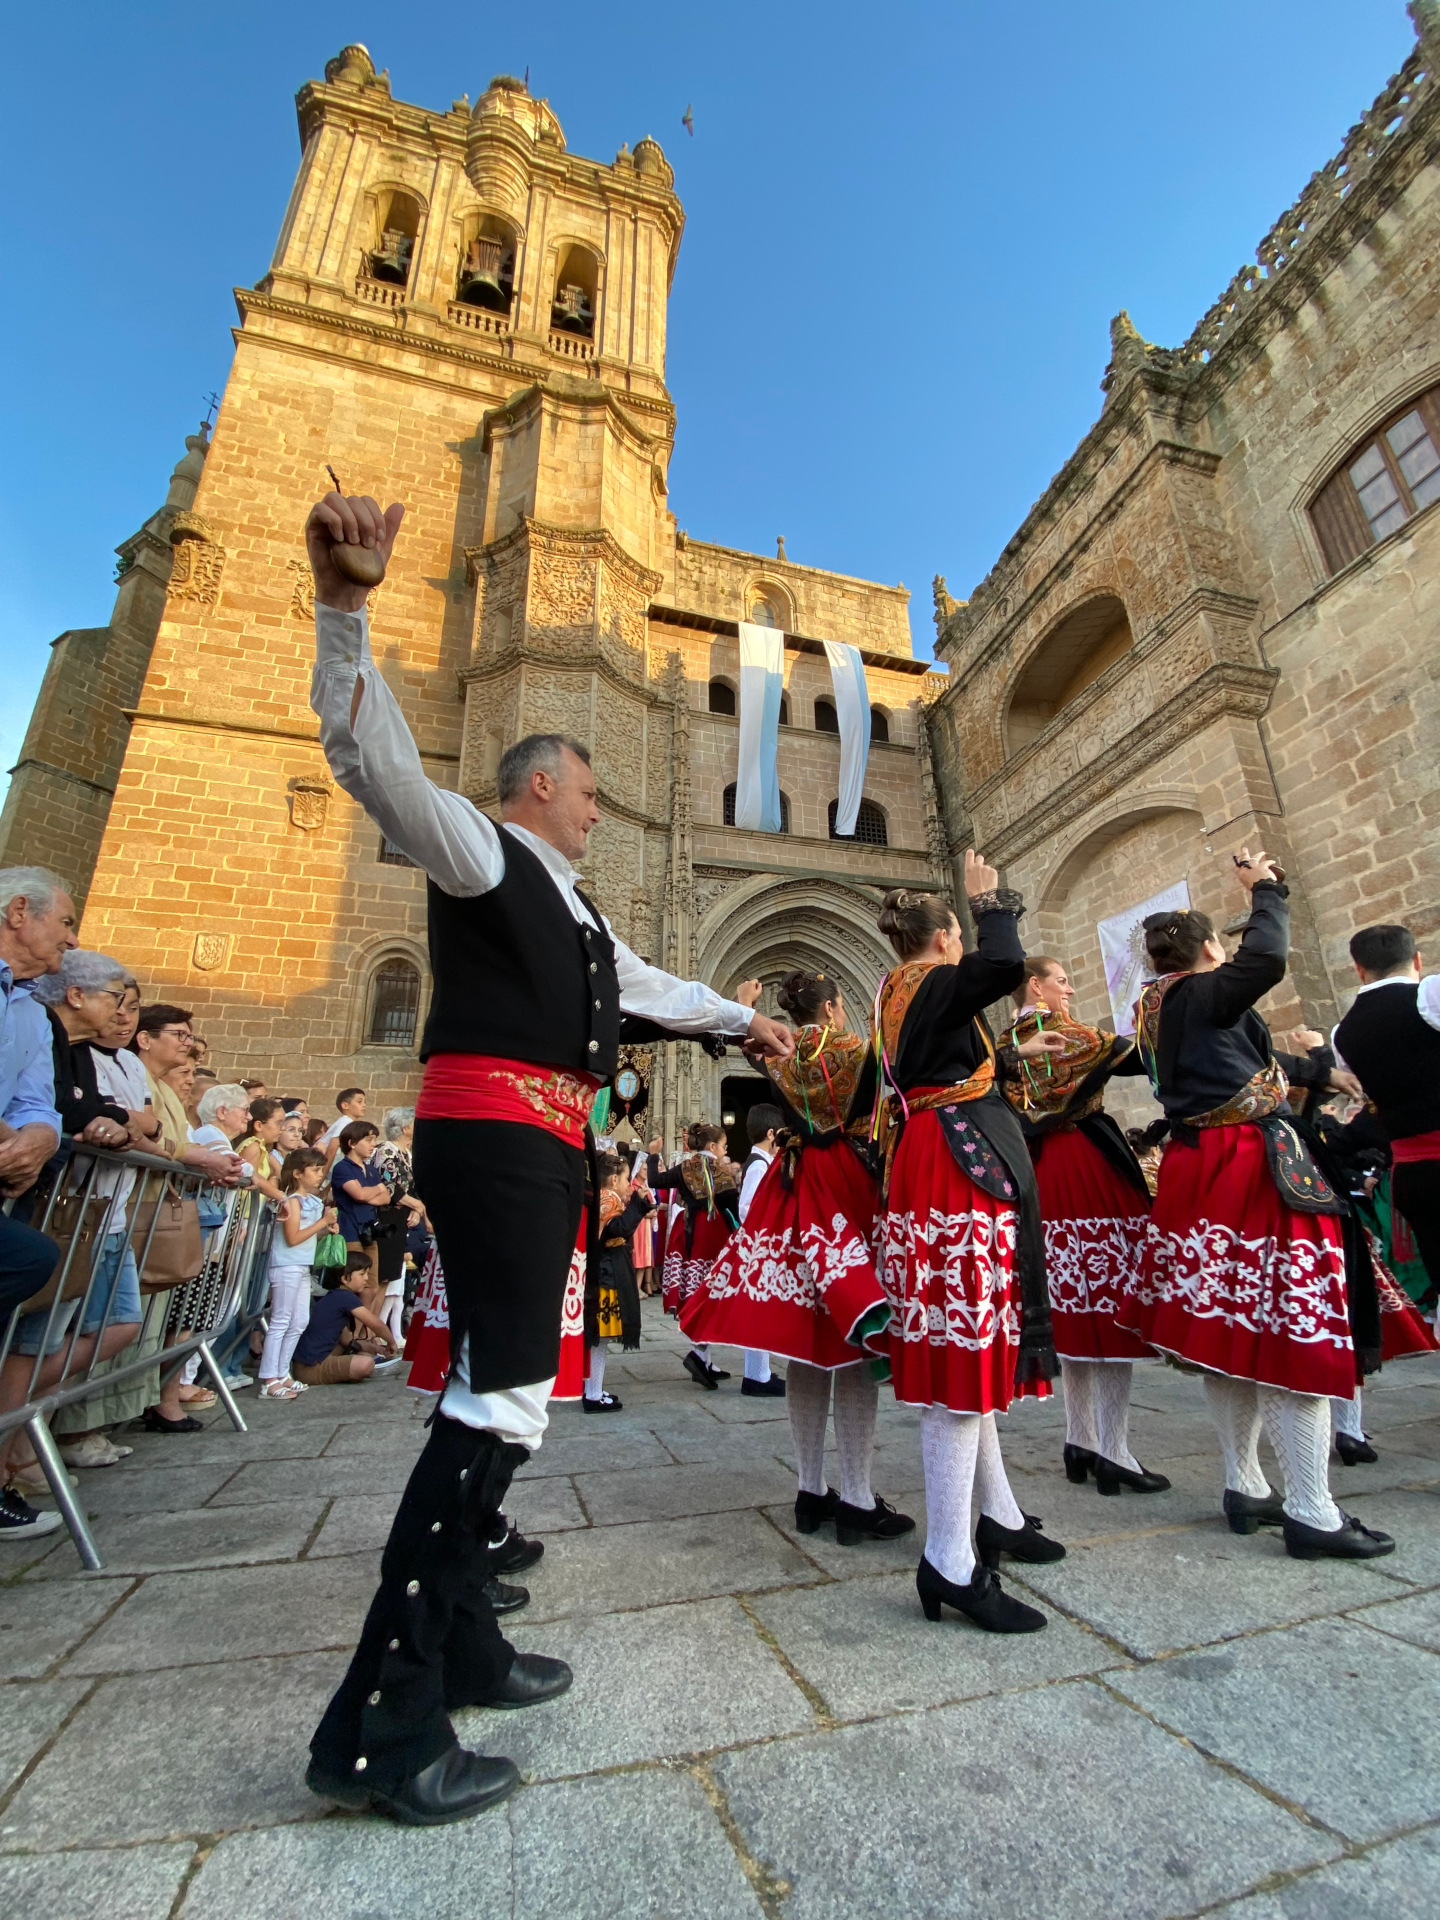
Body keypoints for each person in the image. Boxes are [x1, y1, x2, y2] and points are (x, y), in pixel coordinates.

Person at [303, 482, 793, 1825]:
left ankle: (460, 1643)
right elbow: (372, 763)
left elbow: (644, 983)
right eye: (586, 790)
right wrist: (346, 609)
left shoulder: (573, 906)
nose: (597, 808)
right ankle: (383, 1731)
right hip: (496, 1140)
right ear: (538, 787)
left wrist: (756, 1020)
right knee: (501, 1399)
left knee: (504, 1389)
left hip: (538, 1147)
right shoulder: (478, 846)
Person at [1118, 851, 1395, 1562]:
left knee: (1228, 1334)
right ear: (1209, 948)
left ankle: (1245, 1484)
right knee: (1290, 1330)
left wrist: (1320, 1070)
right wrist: (1266, 891)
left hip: (1199, 1170)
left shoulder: (1157, 1008)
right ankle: (1312, 1508)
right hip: (1249, 1168)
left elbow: (1249, 1063)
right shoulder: (1200, 991)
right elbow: (1267, 958)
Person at [874, 860, 1069, 1633]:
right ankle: (950, 1559)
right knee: (964, 1357)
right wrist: (991, 899)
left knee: (970, 1347)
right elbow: (1002, 965)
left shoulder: (898, 993)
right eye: (960, 929)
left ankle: (999, 1516)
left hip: (938, 1155)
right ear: (944, 937)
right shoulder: (930, 980)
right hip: (960, 1163)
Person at [683, 972, 915, 1545]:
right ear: (835, 1008)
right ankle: (858, 1498)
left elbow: (737, 1044)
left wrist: (741, 1010)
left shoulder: (777, 1054)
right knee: (856, 1338)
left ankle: (811, 1490)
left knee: (809, 1348)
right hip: (850, 1182)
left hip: (796, 1184)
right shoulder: (860, 1050)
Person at [1001, 956, 1168, 1497]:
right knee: (1113, 1304)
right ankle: (1114, 1449)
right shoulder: (1071, 1035)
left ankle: (1079, 1438)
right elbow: (1141, 1057)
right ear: (1036, 985)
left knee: (1068, 1306)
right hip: (1086, 1164)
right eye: (1062, 981)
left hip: (1032, 1170)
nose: (1070, 990)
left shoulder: (1001, 1046)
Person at [1333, 924, 1440, 1297]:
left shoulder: (1341, 1034)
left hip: (1410, 1173)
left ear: (1358, 969)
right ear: (1416, 959)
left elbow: (1365, 1092)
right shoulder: (1429, 993)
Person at [649, 1122, 744, 1388]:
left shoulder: (685, 1168)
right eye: (724, 1145)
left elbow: (655, 1180)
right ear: (713, 1147)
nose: (726, 1150)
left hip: (690, 1232)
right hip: (713, 1236)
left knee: (699, 1293)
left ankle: (706, 1360)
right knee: (710, 1297)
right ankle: (699, 1355)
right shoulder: (722, 1172)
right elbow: (734, 1211)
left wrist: (654, 1153)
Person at [257, 1148, 339, 1399]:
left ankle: (282, 1372)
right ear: (297, 1174)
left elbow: (309, 1235)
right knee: (281, 1320)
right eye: (314, 1170)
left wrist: (327, 1229)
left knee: (300, 1320)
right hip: (286, 1265)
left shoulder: (311, 1202)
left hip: (301, 1265)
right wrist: (322, 1224)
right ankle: (269, 1377)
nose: (319, 1175)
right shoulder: (292, 1200)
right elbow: (292, 1238)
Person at [584, 1151, 655, 1411]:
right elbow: (618, 1230)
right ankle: (592, 1393)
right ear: (614, 1180)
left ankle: (594, 1388)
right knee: (599, 1338)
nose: (629, 1184)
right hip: (605, 1275)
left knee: (599, 1338)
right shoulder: (608, 1198)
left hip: (605, 1271)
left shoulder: (605, 1197)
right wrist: (638, 1203)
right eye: (626, 1179)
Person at [290, 1253, 401, 1386]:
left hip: (304, 1364)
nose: (366, 1278)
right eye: (362, 1274)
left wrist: (377, 1349)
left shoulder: (335, 1296)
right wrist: (391, 1342)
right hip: (310, 1369)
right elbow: (376, 1324)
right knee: (366, 1364)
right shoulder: (345, 1297)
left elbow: (346, 1340)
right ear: (345, 1278)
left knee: (365, 1355)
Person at [373, 1107, 424, 1349]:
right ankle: (375, 1331)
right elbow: (389, 1185)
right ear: (404, 1128)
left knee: (396, 1277)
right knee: (386, 1275)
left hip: (403, 1218)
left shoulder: (408, 1153)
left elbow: (412, 1187)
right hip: (387, 1219)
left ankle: (386, 1330)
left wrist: (415, 1209)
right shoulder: (386, 1150)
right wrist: (416, 1204)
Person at [331, 1119, 389, 1295]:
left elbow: (385, 1197)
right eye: (368, 1140)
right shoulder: (343, 1168)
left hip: (369, 1231)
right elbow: (359, 1194)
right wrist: (376, 1190)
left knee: (371, 1286)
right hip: (350, 1232)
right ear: (352, 1143)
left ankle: (364, 1323)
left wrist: (366, 1194)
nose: (373, 1144)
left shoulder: (370, 1169)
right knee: (353, 1285)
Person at [320, 1088, 368, 1170]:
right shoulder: (345, 1121)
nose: (364, 1105)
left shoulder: (348, 1122)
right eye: (359, 1102)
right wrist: (323, 1174)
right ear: (345, 1105)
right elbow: (332, 1149)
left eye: (364, 1102)